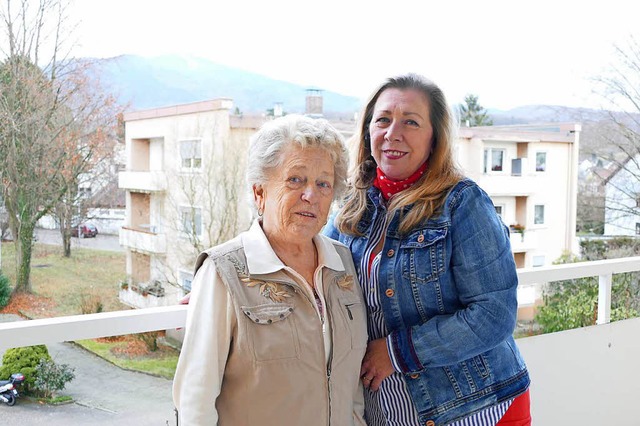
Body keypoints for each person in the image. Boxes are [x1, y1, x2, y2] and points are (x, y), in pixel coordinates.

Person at [324, 73, 531, 426]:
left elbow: (495, 314)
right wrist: (229, 284)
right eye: (383, 120)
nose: (393, 133)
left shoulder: (463, 203)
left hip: (475, 408)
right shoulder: (350, 207)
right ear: (367, 132)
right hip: (388, 411)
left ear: (434, 138)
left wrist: (397, 351)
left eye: (411, 122)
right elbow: (305, 261)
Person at [173, 114, 368, 425]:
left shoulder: (342, 265)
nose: (311, 195)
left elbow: (351, 385)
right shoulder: (225, 271)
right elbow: (195, 399)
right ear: (259, 192)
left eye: (323, 184)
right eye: (295, 179)